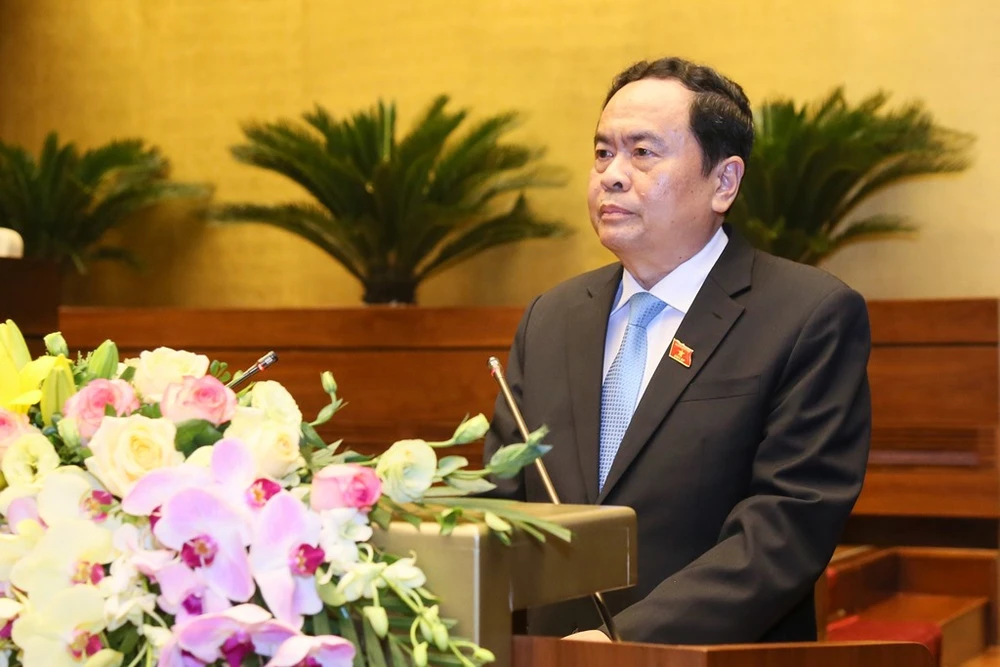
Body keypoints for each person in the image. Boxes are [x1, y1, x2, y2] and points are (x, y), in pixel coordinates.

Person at [482, 57, 871, 645]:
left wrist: (624, 643)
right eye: (602, 152)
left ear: (724, 182)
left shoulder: (807, 315)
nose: (612, 175)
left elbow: (788, 525)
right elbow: (503, 497)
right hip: (553, 654)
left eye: (642, 152)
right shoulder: (551, 318)